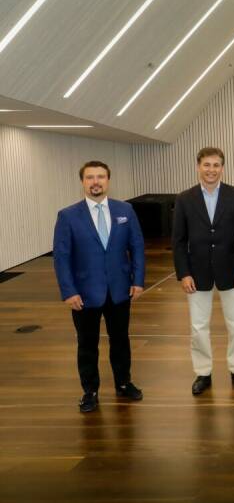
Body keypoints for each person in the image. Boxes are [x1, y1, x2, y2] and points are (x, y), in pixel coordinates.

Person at [53, 161, 145, 412]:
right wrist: (68, 291)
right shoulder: (68, 216)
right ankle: (90, 391)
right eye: (90, 177)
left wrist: (138, 281)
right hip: (84, 294)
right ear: (82, 182)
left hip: (119, 290)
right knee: (87, 344)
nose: (96, 182)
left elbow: (136, 246)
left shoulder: (125, 209)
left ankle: (124, 383)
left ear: (108, 180)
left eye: (101, 177)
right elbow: (61, 257)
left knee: (120, 340)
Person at [173, 147, 234, 396]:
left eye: (216, 165)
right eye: (206, 165)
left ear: (222, 168)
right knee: (198, 327)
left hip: (232, 271)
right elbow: (178, 240)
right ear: (198, 167)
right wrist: (183, 273)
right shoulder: (184, 198)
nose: (211, 170)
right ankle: (203, 372)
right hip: (196, 274)